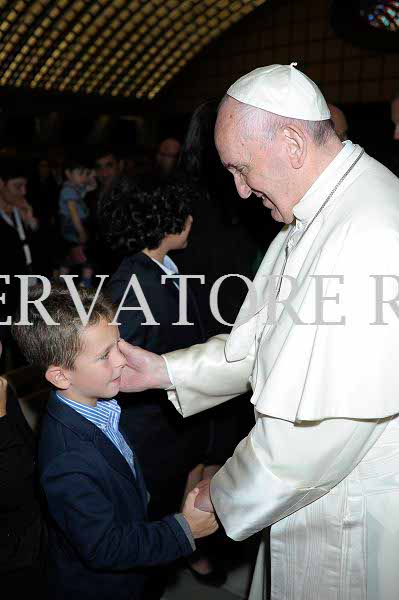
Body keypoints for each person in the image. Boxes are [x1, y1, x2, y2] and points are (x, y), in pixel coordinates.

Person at [115, 63, 399, 600]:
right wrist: (163, 369)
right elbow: (264, 338)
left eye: (243, 169)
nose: (242, 192)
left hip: (352, 513)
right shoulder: (318, 211)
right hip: (308, 493)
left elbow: (318, 434)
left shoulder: (368, 232)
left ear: (292, 143)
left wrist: (220, 494)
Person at [11, 285, 218, 600]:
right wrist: (183, 530)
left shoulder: (101, 404)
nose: (122, 359)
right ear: (61, 377)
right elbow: (105, 546)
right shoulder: (67, 461)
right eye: (105, 355)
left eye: (119, 343)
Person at [102, 177, 224, 585]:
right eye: (184, 214)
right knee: (150, 532)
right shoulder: (131, 286)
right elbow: (116, 364)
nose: (191, 220)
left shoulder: (163, 267)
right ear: (165, 223)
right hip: (149, 432)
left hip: (173, 424)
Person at [0, 337, 46, 595]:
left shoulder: (4, 387)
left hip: (31, 534)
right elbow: (14, 489)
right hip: (12, 558)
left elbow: (28, 450)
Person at [58, 157, 93, 287]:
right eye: (80, 173)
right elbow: (73, 213)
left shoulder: (75, 188)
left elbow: (91, 186)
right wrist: (81, 231)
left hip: (72, 228)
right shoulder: (68, 191)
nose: (84, 177)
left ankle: (61, 282)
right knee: (85, 257)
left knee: (71, 257)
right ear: (68, 173)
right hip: (73, 227)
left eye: (85, 173)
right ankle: (85, 283)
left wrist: (89, 177)